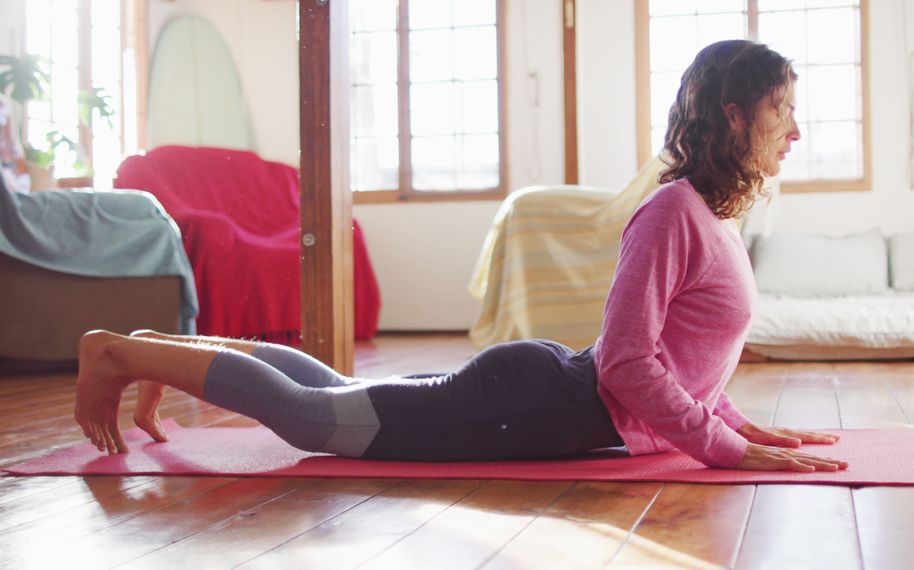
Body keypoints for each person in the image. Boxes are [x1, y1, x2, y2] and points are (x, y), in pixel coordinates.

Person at [74, 40, 847, 473]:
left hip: (545, 395)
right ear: (734, 114)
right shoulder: (672, 211)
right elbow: (626, 363)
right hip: (538, 403)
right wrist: (721, 449)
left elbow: (685, 361)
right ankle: (111, 352)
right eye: (783, 109)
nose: (795, 131)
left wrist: (742, 426)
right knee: (316, 420)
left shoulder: (708, 218)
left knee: (341, 396)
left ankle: (151, 352)